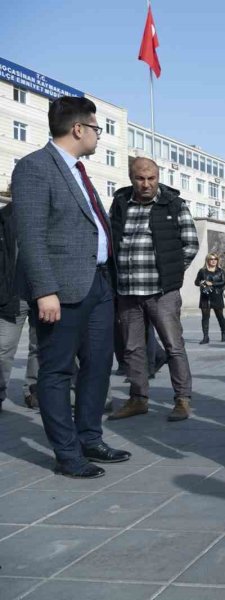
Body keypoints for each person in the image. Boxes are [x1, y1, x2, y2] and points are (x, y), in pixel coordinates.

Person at [11, 96, 129, 477]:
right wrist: (44, 290)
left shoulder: (79, 170)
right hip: (60, 290)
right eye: (97, 129)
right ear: (78, 129)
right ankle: (66, 453)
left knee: (97, 366)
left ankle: (90, 438)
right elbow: (29, 235)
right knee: (58, 370)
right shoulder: (34, 168)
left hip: (98, 284)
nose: (99, 136)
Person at [107, 158, 198, 422]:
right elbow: (113, 240)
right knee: (132, 348)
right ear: (131, 178)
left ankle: (182, 399)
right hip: (127, 291)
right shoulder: (121, 203)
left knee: (173, 346)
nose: (146, 184)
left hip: (163, 292)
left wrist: (169, 274)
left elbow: (190, 245)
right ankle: (138, 399)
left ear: (158, 177)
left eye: (151, 179)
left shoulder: (173, 204)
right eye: (139, 179)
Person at [0, 204, 39, 412]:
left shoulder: (45, 212)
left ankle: (33, 391)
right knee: (3, 347)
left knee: (39, 346)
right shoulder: (4, 216)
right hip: (12, 294)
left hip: (43, 293)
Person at [195, 254, 225, 343]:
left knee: (220, 316)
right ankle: (205, 337)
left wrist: (211, 283)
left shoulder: (220, 271)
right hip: (205, 296)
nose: (213, 261)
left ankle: (223, 333)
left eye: (215, 259)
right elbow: (196, 282)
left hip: (217, 296)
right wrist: (201, 282)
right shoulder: (202, 271)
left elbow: (223, 282)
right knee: (205, 317)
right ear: (207, 260)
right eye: (211, 259)